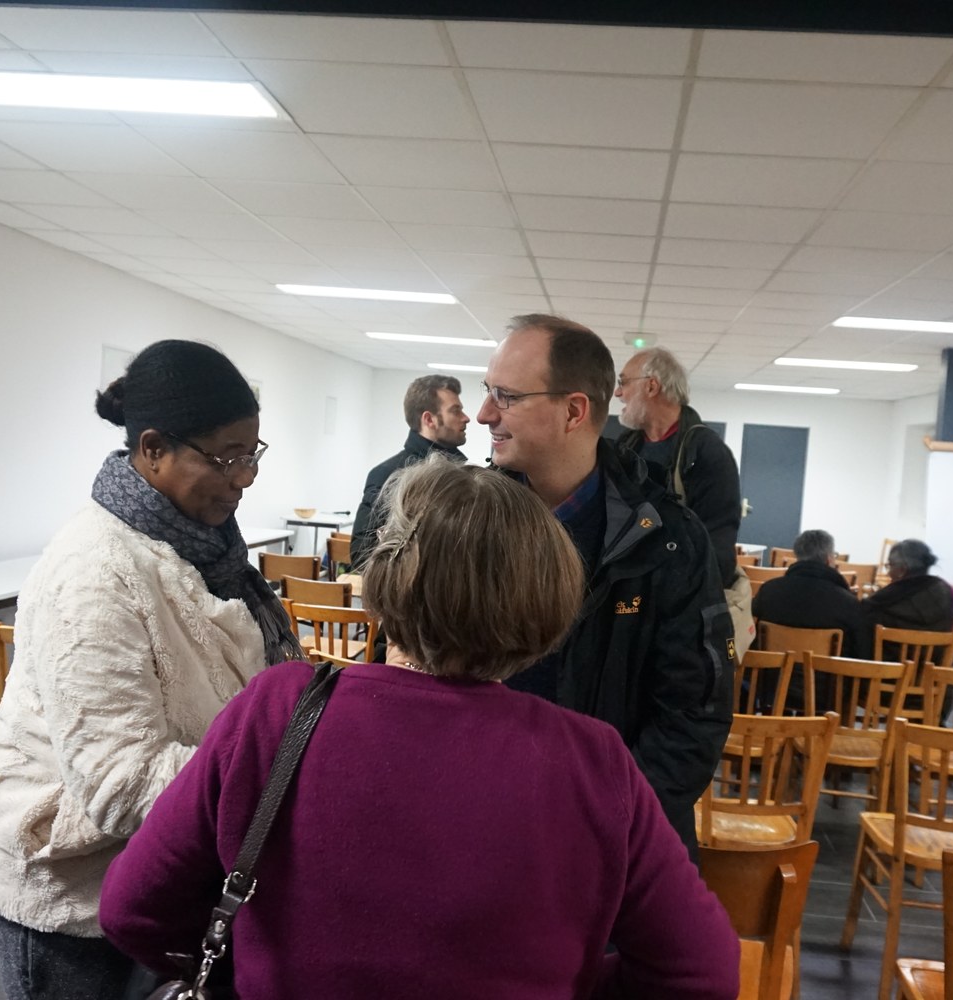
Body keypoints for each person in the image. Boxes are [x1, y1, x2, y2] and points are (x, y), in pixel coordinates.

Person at [99, 458, 739, 999]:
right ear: (549, 600)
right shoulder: (593, 761)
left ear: (385, 574)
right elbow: (703, 973)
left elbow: (134, 909)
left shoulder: (280, 710)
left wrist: (254, 967)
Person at [0, 340, 302, 1000]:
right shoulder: (93, 571)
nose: (246, 477)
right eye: (227, 457)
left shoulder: (205, 549)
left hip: (155, 879)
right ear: (152, 449)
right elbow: (119, 783)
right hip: (72, 895)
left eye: (252, 453)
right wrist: (279, 768)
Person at [477, 314, 735, 858]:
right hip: (482, 827)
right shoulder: (466, 522)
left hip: (609, 844)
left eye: (506, 396)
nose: (484, 414)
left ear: (574, 411)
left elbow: (691, 719)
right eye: (487, 391)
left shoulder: (669, 540)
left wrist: (598, 822)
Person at [614, 347, 753, 658]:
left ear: (652, 386)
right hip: (628, 603)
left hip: (682, 615)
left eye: (623, 382)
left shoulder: (707, 453)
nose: (617, 393)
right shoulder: (626, 447)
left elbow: (716, 550)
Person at [348, 373, 468, 569]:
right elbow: (362, 554)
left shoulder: (464, 475)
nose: (466, 418)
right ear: (429, 419)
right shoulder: (387, 475)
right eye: (455, 411)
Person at [753, 529, 869, 707]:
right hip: (827, 696)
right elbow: (861, 655)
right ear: (829, 559)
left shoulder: (769, 591)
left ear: (797, 556)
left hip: (771, 689)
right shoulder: (848, 603)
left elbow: (749, 636)